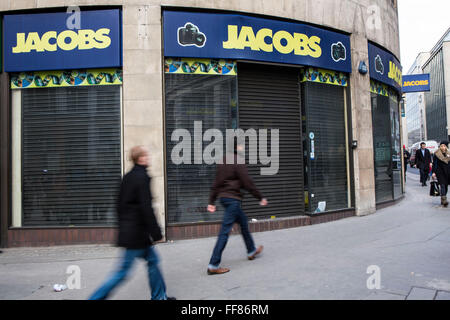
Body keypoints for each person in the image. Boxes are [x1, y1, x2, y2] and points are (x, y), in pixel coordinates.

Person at [89, 146, 175, 300]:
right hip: (137, 234)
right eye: (145, 155)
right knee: (122, 272)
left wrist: (125, 226)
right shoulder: (141, 177)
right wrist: (156, 233)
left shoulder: (128, 176)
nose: (148, 157)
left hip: (132, 232)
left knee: (153, 261)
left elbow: (119, 205)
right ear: (140, 158)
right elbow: (146, 208)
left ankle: (160, 296)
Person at [206, 143, 268, 275]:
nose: (243, 147)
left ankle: (251, 250)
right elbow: (247, 182)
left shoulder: (223, 160)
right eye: (241, 145)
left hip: (224, 199)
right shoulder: (238, 160)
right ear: (236, 147)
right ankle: (213, 264)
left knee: (243, 222)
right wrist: (260, 197)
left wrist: (212, 201)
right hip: (233, 199)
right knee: (225, 231)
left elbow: (216, 183)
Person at [432, 141, 450, 207]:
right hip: (440, 172)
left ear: (446, 147)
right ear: (439, 147)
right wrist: (433, 172)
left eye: (444, 146)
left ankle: (443, 198)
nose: (443, 147)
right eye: (441, 146)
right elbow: (434, 164)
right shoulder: (436, 154)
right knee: (442, 185)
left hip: (448, 172)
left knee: (446, 186)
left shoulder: (448, 153)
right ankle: (444, 200)